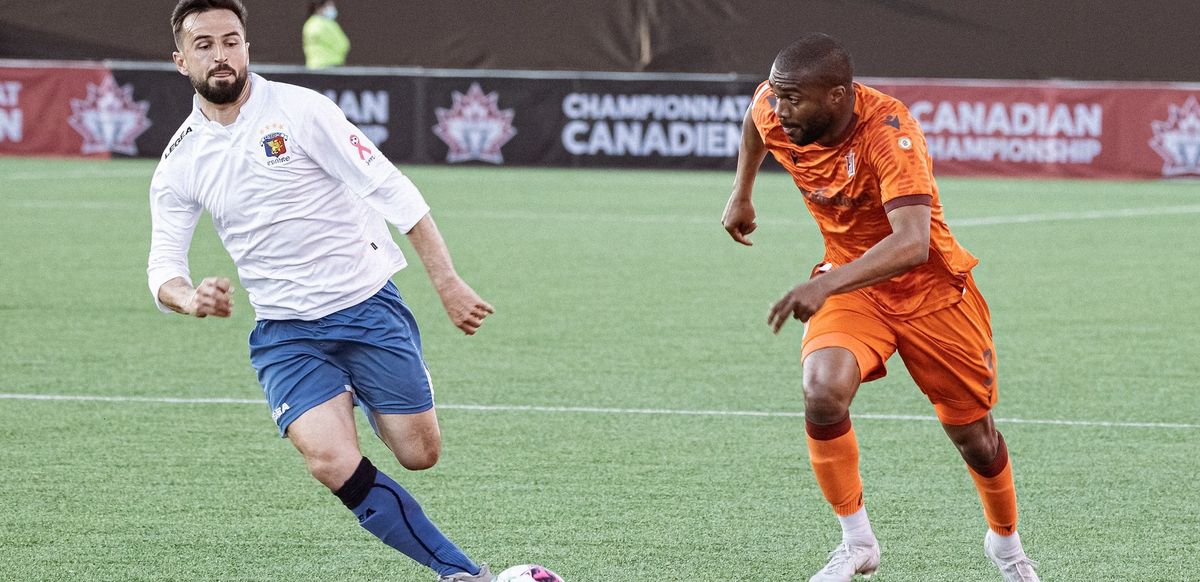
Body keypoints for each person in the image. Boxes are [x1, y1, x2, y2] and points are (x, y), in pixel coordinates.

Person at [149, 2, 496, 580]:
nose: (221, 55)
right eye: (204, 45)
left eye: (231, 41)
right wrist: (189, 298)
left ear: (247, 47)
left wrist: (448, 282)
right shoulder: (180, 160)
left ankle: (367, 392)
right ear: (181, 60)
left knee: (419, 454)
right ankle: (460, 571)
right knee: (330, 459)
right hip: (285, 333)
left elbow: (392, 189)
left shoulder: (304, 111)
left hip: (365, 307)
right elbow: (162, 267)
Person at [721, 33, 1040, 582]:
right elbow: (756, 121)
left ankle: (1006, 547)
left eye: (793, 98)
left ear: (839, 96)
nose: (780, 109)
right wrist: (742, 191)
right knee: (822, 390)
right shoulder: (775, 110)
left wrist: (823, 285)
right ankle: (856, 542)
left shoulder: (890, 135)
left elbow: (911, 243)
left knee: (975, 439)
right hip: (856, 287)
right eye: (777, 95)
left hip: (933, 293)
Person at [302, 0, 349, 69]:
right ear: (319, 8)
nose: (332, 8)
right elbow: (341, 44)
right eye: (329, 5)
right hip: (329, 65)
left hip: (314, 65)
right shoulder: (324, 24)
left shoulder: (310, 23)